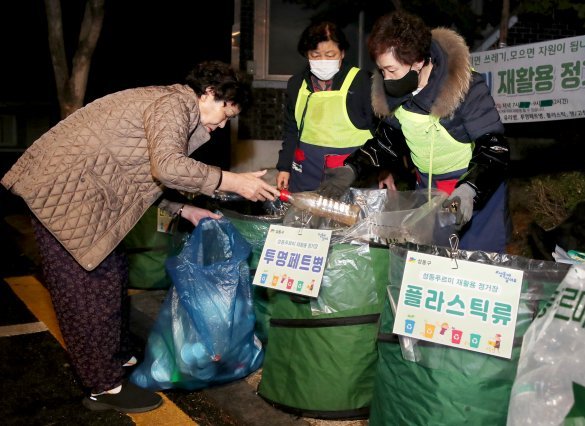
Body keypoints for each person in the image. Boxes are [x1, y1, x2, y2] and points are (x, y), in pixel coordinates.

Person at [1, 60, 280, 413]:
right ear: (210, 93)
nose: (223, 125)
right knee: (87, 292)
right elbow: (167, 166)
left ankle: (111, 359)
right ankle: (104, 387)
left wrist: (185, 209)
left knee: (111, 277)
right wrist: (232, 180)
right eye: (226, 113)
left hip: (83, 195)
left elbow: (142, 174)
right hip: (65, 195)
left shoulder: (168, 103)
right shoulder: (174, 104)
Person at [320, 10, 510, 252]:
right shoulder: (396, 91)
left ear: (419, 61)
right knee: (432, 264)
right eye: (382, 71)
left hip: (473, 191)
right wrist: (352, 167)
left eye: (392, 70)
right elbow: (387, 142)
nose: (387, 80)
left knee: (478, 266)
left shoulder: (467, 89)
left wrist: (470, 189)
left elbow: (495, 148)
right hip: (430, 190)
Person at [275, 21, 376, 193]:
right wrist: (284, 167)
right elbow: (291, 130)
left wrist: (382, 170)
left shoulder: (362, 82)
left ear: (342, 53)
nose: (322, 61)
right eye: (315, 55)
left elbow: (379, 132)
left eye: (330, 55)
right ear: (307, 54)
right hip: (306, 175)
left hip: (351, 177)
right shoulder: (296, 84)